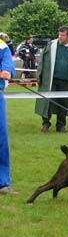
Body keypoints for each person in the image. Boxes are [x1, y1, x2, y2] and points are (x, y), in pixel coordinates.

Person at [36, 26, 68, 133]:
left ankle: (60, 126)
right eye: (59, 34)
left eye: (62, 35)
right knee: (47, 101)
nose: (60, 37)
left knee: (63, 103)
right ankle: (46, 123)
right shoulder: (51, 45)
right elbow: (42, 61)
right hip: (51, 80)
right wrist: (39, 76)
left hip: (65, 81)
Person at [0, 36, 16, 194]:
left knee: (1, 140)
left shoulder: (1, 45)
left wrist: (7, 70)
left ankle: (2, 183)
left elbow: (9, 66)